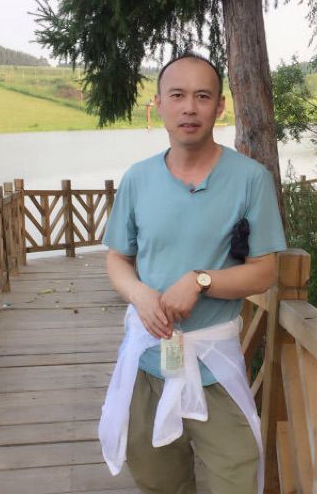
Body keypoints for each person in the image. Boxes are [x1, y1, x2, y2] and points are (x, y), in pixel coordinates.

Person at [98, 52, 286, 494]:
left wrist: (202, 280)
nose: (189, 108)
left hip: (214, 364)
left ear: (219, 107)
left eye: (202, 97)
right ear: (158, 104)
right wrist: (140, 294)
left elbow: (264, 272)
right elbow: (117, 258)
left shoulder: (250, 180)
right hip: (148, 362)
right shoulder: (138, 179)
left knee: (237, 477)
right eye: (177, 95)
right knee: (158, 480)